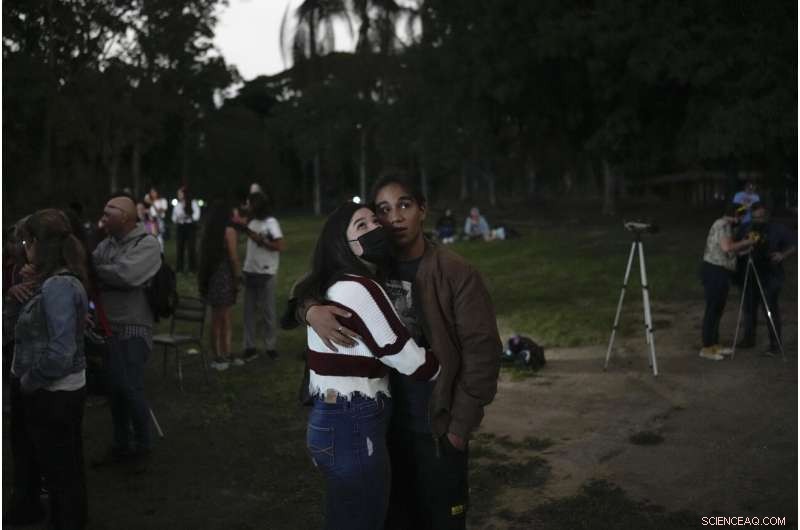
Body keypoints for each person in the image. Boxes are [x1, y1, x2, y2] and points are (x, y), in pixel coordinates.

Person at [306, 175, 502, 529]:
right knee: (392, 517)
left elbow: (483, 352)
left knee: (441, 518)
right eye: (383, 210)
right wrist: (309, 309)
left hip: (436, 425)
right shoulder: (370, 266)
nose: (394, 217)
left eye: (404, 205)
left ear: (422, 210)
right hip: (382, 425)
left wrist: (460, 424)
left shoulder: (456, 272)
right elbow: (314, 282)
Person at [296, 201, 439, 530]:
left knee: (343, 515)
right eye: (361, 226)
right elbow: (402, 354)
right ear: (340, 243)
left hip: (328, 419)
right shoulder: (360, 288)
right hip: (353, 423)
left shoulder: (329, 284)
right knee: (364, 519)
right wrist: (445, 370)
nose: (375, 228)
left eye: (375, 221)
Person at [10, 209, 89, 530]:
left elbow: (59, 352)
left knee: (60, 474)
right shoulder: (52, 282)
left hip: (52, 393)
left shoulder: (58, 286)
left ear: (40, 245)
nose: (23, 249)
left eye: (27, 242)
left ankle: (66, 522)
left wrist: (29, 381)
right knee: (62, 468)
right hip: (50, 390)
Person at [91, 194, 161, 467]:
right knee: (115, 390)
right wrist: (103, 271)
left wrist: (98, 271)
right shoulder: (105, 245)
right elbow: (103, 271)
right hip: (107, 327)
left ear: (126, 217)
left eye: (109, 213)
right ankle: (122, 445)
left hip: (134, 327)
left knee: (129, 387)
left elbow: (127, 275)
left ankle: (142, 446)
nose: (103, 217)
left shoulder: (148, 245)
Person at [736, 203, 796, 356]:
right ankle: (749, 339)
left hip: (771, 273)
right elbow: (737, 245)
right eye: (755, 217)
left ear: (767, 216)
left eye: (761, 217)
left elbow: (794, 244)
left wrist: (782, 255)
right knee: (749, 307)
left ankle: (775, 344)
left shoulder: (778, 228)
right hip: (750, 271)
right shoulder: (746, 227)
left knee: (770, 307)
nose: (758, 220)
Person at [699, 203, 755, 361]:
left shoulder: (726, 226)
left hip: (720, 271)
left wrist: (744, 249)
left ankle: (714, 344)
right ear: (735, 214)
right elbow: (726, 247)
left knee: (718, 309)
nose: (741, 219)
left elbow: (728, 251)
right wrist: (747, 242)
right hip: (714, 271)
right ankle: (706, 347)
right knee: (713, 309)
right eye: (741, 216)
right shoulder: (722, 224)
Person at [198, 202, 243, 371]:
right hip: (224, 277)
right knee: (224, 318)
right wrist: (237, 276)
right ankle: (222, 355)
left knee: (218, 318)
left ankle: (221, 354)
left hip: (212, 276)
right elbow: (233, 257)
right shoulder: (229, 231)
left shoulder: (209, 232)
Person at [241, 191, 284, 361]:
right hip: (250, 270)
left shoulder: (271, 223)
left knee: (268, 312)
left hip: (266, 272)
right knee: (249, 312)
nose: (247, 206)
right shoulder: (251, 222)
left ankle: (270, 346)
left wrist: (262, 241)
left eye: (250, 203)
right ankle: (249, 346)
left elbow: (280, 246)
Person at [172, 186, 200, 273]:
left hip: (190, 227)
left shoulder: (193, 203)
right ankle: (179, 268)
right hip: (181, 227)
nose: (178, 195)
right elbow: (173, 217)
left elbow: (197, 215)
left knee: (191, 247)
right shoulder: (178, 205)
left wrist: (189, 217)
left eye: (180, 193)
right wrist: (177, 218)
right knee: (180, 247)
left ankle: (193, 268)